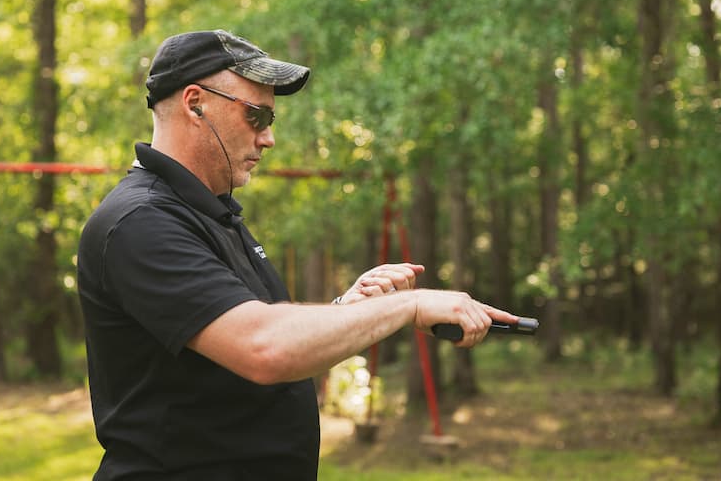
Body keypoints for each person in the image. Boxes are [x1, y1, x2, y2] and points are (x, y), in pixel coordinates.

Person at [77, 29, 518, 480]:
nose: (268, 138)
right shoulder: (140, 222)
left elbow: (255, 334)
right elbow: (263, 347)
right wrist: (409, 304)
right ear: (195, 104)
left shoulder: (210, 214)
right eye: (256, 115)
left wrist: (350, 310)